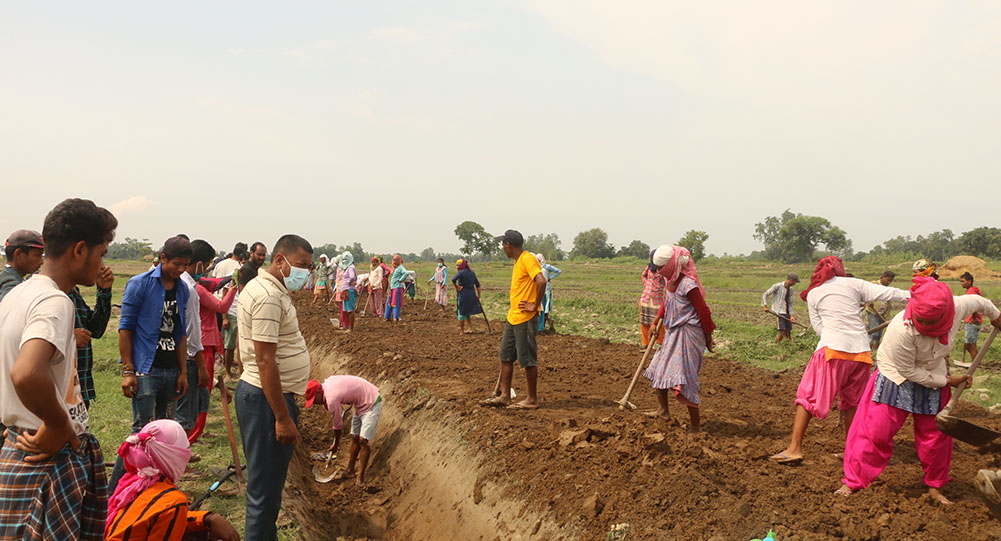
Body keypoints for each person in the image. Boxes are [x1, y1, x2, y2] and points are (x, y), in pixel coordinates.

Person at [0, 198, 117, 540]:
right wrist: (57, 423)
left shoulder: (18, 295)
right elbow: (25, 373)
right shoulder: (55, 301)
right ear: (80, 250)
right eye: (102, 252)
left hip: (21, 445)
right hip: (44, 459)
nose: (101, 262)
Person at [837, 276, 1001, 504]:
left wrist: (997, 317)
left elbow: (981, 302)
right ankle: (854, 481)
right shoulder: (900, 330)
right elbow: (909, 372)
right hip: (897, 375)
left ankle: (935, 486)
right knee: (876, 431)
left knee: (936, 436)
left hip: (934, 370)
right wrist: (947, 381)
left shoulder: (959, 305)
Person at [770, 256, 910, 465]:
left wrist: (835, 333)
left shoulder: (814, 293)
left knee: (807, 397)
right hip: (862, 354)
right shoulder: (854, 284)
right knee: (852, 403)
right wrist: (917, 295)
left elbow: (818, 327)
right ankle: (852, 451)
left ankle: (794, 449)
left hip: (832, 350)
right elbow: (889, 293)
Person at [236, 234, 313, 541]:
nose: (305, 273)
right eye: (300, 265)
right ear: (280, 260)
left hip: (260, 397)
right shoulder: (268, 296)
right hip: (267, 403)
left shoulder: (263, 287)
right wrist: (282, 417)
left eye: (308, 267)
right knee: (263, 495)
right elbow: (266, 361)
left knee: (265, 493)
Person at [111, 236, 192, 492]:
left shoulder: (182, 289)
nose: (180, 270)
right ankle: (115, 491)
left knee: (165, 437)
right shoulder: (139, 284)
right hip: (146, 369)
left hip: (170, 370)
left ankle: (153, 490)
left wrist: (182, 372)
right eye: (176, 264)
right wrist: (128, 371)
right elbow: (125, 329)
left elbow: (180, 333)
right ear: (163, 258)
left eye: (185, 266)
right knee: (141, 434)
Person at [104, 420, 240, 541]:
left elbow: (155, 518)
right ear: (175, 457)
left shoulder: (132, 481)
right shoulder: (173, 501)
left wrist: (206, 518)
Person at [642, 245, 716, 432]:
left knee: (685, 377)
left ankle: (695, 426)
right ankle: (663, 410)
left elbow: (704, 311)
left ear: (670, 265)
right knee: (658, 367)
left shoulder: (688, 284)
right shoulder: (671, 282)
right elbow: (668, 302)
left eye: (660, 267)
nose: (658, 271)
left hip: (689, 335)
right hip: (674, 331)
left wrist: (708, 337)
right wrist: (656, 321)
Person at [481, 230, 547, 410]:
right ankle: (504, 396)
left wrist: (534, 305)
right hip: (514, 317)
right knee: (506, 356)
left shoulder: (527, 259)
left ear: (508, 245)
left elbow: (541, 281)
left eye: (503, 245)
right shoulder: (519, 261)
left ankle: (532, 399)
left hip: (525, 318)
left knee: (528, 360)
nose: (503, 248)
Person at [187, 240, 237, 444]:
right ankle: (192, 435)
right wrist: (234, 287)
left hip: (203, 342)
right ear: (199, 264)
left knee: (200, 391)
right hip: (204, 343)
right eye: (206, 265)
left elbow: (213, 283)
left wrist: (228, 279)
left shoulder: (195, 284)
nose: (207, 270)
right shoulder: (196, 289)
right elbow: (222, 306)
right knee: (202, 392)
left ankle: (194, 432)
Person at [304, 375, 383, 486]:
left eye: (313, 400)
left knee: (363, 440)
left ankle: (361, 477)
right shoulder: (327, 383)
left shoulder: (331, 399)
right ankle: (350, 471)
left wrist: (336, 444)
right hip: (359, 403)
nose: (315, 403)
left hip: (371, 401)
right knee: (355, 437)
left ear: (318, 392)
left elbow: (337, 426)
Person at [174, 246, 208, 453]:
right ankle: (179, 461)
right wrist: (201, 364)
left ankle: (178, 454)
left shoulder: (177, 284)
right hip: (187, 356)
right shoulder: (189, 288)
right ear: (199, 263)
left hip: (177, 354)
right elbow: (192, 329)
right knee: (185, 414)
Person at [69, 264, 115, 409]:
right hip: (57, 390)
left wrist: (104, 290)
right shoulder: (42, 292)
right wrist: (69, 338)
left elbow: (96, 329)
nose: (100, 266)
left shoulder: (73, 291)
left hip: (79, 386)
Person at [215, 244, 247, 378]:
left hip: (241, 312)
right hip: (230, 310)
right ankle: (226, 371)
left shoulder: (247, 273)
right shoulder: (235, 272)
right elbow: (224, 291)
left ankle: (240, 371)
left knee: (240, 344)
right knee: (229, 343)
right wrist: (225, 317)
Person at [0, 229, 45, 302]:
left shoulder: (4, 277)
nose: (41, 262)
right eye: (37, 255)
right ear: (18, 254)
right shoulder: (12, 287)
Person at [639, 250, 667, 347]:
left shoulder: (664, 270)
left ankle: (661, 342)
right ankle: (645, 343)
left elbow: (668, 282)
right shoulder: (648, 267)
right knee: (644, 321)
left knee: (659, 322)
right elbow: (643, 275)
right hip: (645, 298)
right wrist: (646, 284)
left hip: (657, 299)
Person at [762, 273, 800, 343]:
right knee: (782, 331)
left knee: (788, 332)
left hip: (787, 312)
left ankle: (789, 347)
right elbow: (765, 294)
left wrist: (792, 316)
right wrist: (765, 306)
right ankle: (775, 345)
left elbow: (790, 304)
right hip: (779, 311)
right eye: (795, 282)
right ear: (791, 280)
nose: (795, 283)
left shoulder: (791, 290)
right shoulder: (777, 286)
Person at [865, 270, 896, 348]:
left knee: (879, 334)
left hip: (883, 313)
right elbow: (865, 293)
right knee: (874, 332)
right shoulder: (873, 284)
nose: (889, 282)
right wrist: (869, 301)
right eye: (888, 280)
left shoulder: (888, 289)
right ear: (883, 277)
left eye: (890, 281)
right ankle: (869, 349)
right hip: (873, 311)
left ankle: (876, 349)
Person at [452, 258, 483, 335]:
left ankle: (461, 331)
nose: (457, 267)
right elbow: (478, 285)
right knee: (467, 311)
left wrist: (456, 286)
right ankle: (470, 328)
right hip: (471, 294)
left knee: (461, 312)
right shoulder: (472, 273)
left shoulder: (461, 273)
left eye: (458, 265)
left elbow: (453, 279)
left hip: (463, 295)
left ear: (462, 266)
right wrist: (479, 295)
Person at [959, 271, 983, 366]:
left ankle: (976, 364)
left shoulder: (972, 291)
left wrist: (974, 317)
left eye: (963, 281)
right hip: (971, 321)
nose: (961, 283)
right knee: (968, 344)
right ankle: (976, 362)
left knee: (971, 345)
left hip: (972, 322)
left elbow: (974, 305)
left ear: (969, 281)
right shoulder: (973, 290)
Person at [536, 253, 561, 333]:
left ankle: (541, 327)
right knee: (543, 308)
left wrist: (550, 278)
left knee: (543, 308)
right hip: (541, 289)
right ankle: (541, 326)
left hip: (545, 290)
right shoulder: (537, 268)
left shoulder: (546, 267)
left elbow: (558, 271)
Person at [338, 251, 358, 331]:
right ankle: (346, 327)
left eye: (346, 259)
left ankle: (351, 328)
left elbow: (352, 277)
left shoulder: (351, 267)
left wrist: (349, 282)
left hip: (349, 290)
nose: (344, 261)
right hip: (345, 290)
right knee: (345, 310)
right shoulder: (347, 268)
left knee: (350, 310)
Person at [384, 255, 408, 322]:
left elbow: (406, 273)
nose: (394, 261)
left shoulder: (400, 267)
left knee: (395, 303)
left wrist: (401, 279)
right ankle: (387, 317)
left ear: (399, 260)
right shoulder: (394, 268)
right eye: (394, 260)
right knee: (389, 302)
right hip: (392, 287)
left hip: (397, 287)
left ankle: (396, 317)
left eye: (396, 260)